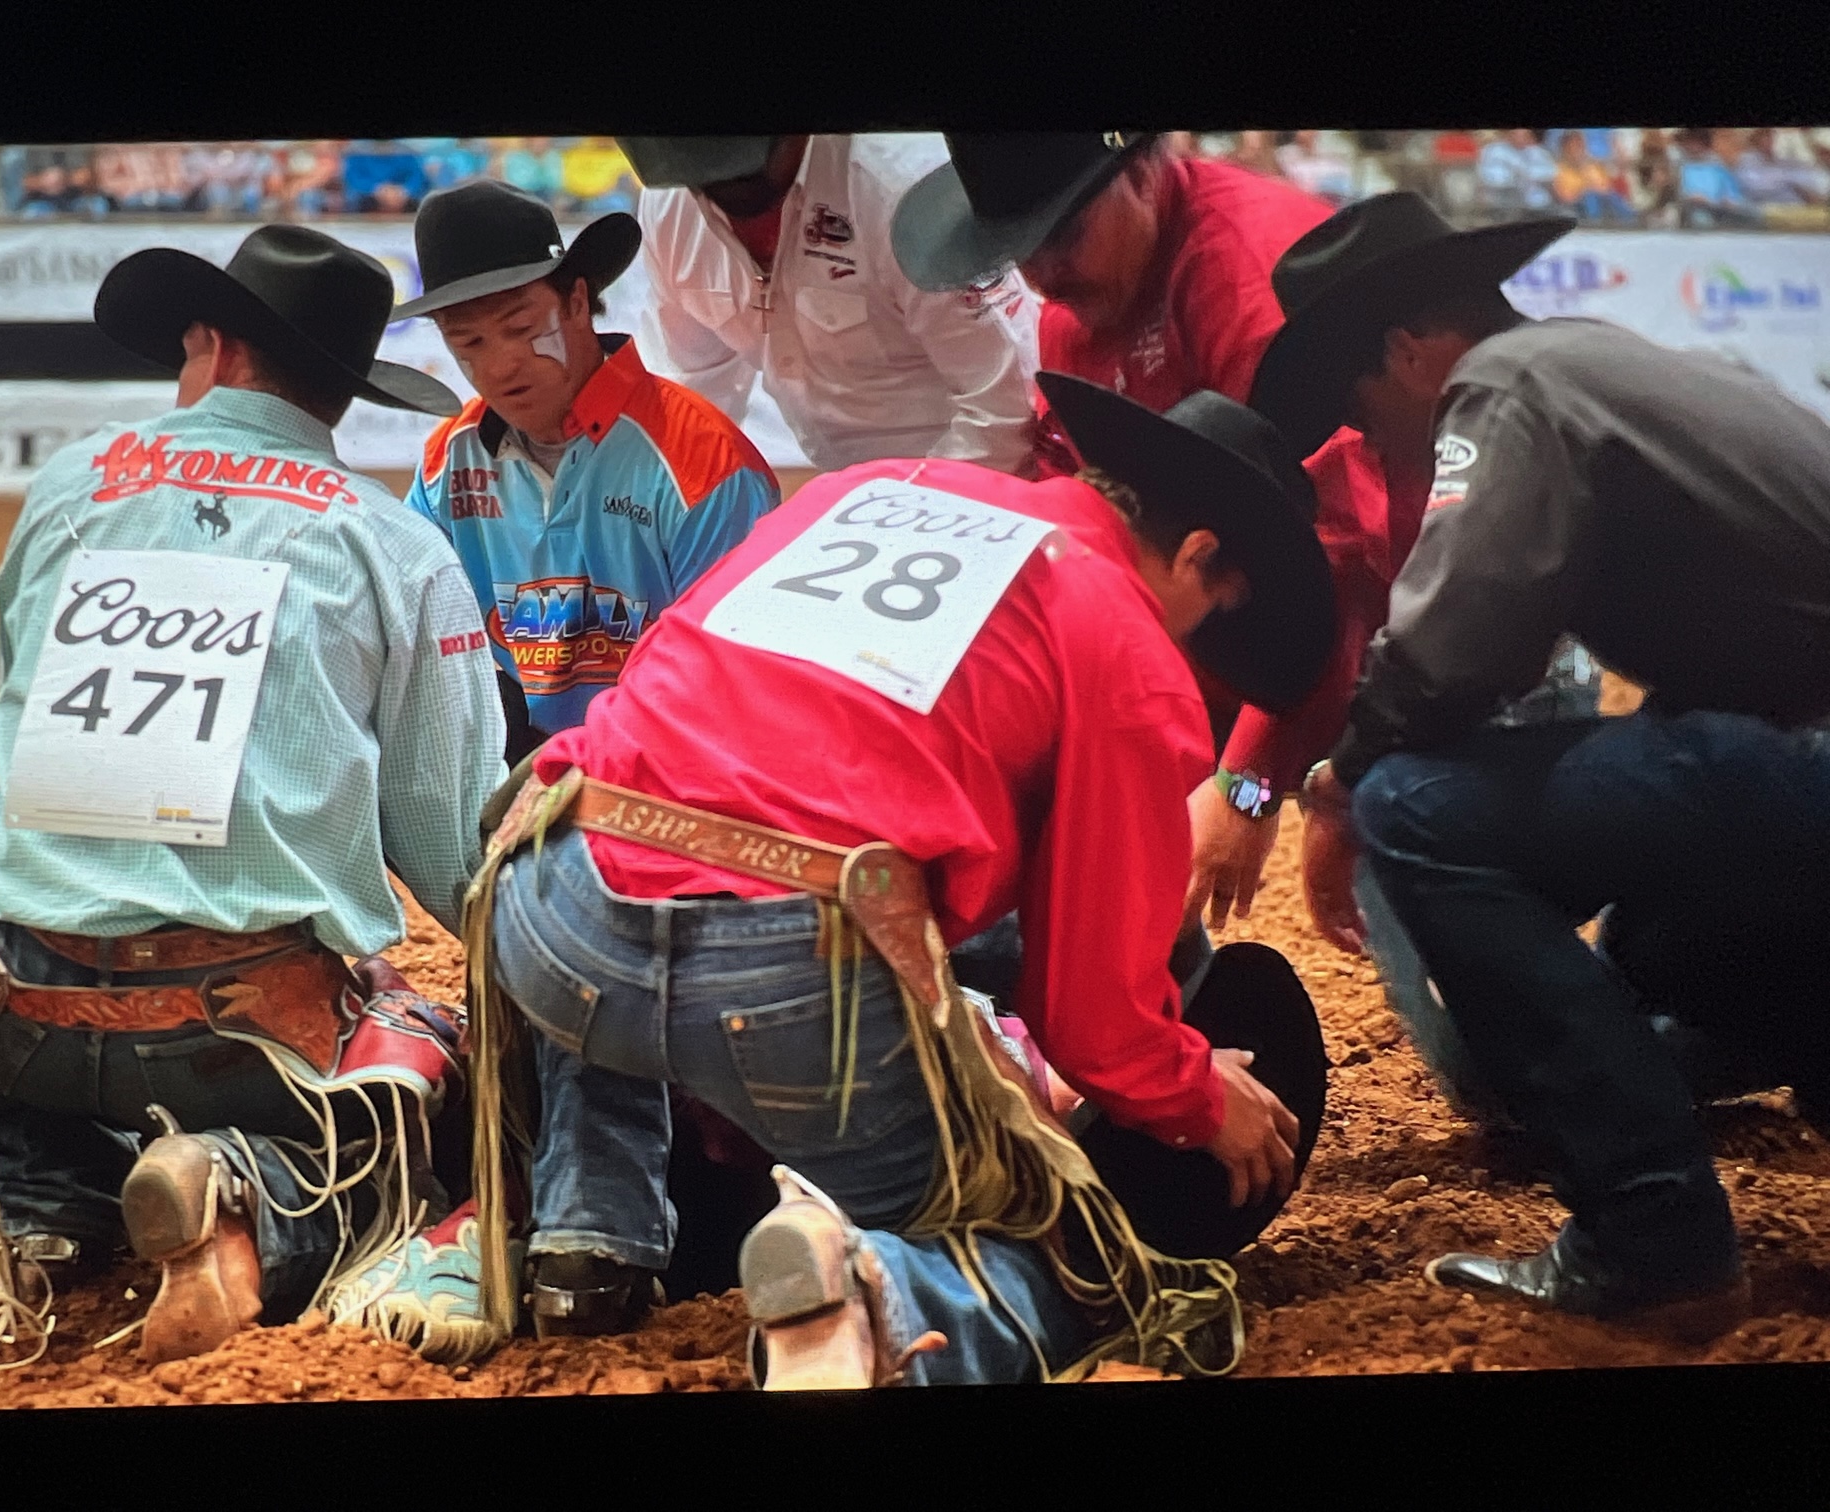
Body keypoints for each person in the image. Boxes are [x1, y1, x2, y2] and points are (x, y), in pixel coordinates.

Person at [420, 374, 1336, 1389]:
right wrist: (1203, 1098)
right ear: (1199, 553)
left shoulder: (865, 491)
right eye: (1214, 606)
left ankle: (591, 1237)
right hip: (781, 968)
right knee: (1055, 1246)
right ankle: (876, 1295)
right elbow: (1099, 1024)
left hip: (551, 895)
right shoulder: (1125, 644)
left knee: (658, 913)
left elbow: (665, 691)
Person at [0, 226, 505, 1368]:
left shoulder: (69, 485)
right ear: (340, 390)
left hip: (13, 1003)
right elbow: (451, 850)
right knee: (418, 1129)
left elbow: (22, 699)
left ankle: (35, 1203)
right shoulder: (397, 542)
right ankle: (243, 1197)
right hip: (235, 1031)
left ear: (208, 342)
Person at [1255, 190, 1830, 1339]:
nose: (1369, 441)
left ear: (1410, 352)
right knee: (1660, 940)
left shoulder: (1505, 386)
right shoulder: (1611, 363)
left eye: (1363, 410)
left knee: (1419, 806)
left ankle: (1649, 1236)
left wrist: (1338, 784)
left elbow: (1455, 652)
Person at [889, 131, 1421, 965]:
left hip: (1406, 639)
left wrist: (1251, 785)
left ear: (1143, 170)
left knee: (1437, 962)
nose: (1042, 278)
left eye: (1062, 235)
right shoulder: (1074, 322)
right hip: (1226, 624)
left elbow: (1339, 557)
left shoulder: (1249, 284)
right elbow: (1075, 496)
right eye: (1021, 251)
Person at [393, 178, 780, 765]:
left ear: (577, 300)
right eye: (466, 341)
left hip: (663, 778)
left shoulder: (704, 464)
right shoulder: (446, 463)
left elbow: (729, 683)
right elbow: (414, 642)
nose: (499, 365)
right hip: (497, 773)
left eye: (521, 329)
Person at [617, 135, 1041, 475]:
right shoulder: (670, 209)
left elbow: (1005, 410)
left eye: (747, 170)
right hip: (845, 489)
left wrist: (905, 515)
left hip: (986, 484)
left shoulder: (903, 189)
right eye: (702, 178)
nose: (725, 186)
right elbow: (691, 391)